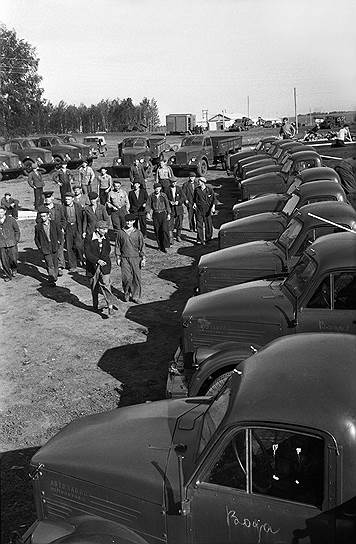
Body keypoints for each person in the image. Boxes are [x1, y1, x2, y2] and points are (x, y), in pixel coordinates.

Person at [84, 220, 118, 316]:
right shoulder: (89, 238)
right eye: (103, 229)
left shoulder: (106, 237)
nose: (105, 231)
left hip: (105, 266)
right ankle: (95, 306)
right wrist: (97, 260)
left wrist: (103, 260)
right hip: (92, 267)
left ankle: (110, 306)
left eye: (106, 229)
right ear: (97, 229)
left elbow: (108, 250)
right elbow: (87, 253)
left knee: (106, 285)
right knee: (94, 287)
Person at [115, 213, 146, 303]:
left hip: (136, 258)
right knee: (126, 278)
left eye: (131, 221)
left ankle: (135, 296)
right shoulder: (121, 233)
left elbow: (142, 246)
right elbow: (117, 246)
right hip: (124, 258)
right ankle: (127, 293)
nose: (128, 223)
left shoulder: (138, 233)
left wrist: (143, 258)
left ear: (134, 221)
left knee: (136, 277)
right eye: (127, 221)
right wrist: (118, 257)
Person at [34, 206, 62, 286]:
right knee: (49, 264)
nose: (43, 218)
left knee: (55, 263)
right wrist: (40, 247)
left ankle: (54, 276)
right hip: (45, 247)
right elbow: (36, 239)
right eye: (41, 216)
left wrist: (59, 241)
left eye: (44, 216)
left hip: (54, 246)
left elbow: (59, 233)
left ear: (48, 215)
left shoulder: (54, 223)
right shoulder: (38, 227)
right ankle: (51, 280)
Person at [42, 190, 66, 275]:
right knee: (51, 249)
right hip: (48, 232)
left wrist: (62, 228)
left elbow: (63, 219)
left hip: (58, 231)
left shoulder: (59, 207)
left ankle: (60, 266)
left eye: (49, 197)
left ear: (52, 198)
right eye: (46, 198)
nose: (47, 199)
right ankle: (52, 266)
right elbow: (38, 220)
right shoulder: (42, 208)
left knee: (60, 248)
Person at [146, 183, 171, 252]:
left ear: (160, 188)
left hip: (163, 214)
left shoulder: (163, 195)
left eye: (158, 188)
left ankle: (166, 246)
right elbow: (148, 205)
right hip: (155, 214)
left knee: (165, 230)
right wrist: (148, 213)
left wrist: (169, 213)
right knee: (157, 231)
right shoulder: (151, 196)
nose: (157, 189)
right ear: (154, 189)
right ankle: (160, 246)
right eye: (156, 188)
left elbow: (167, 205)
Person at [62, 192, 84, 271]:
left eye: (69, 199)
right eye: (66, 199)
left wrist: (82, 229)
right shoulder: (63, 207)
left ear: (72, 199)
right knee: (69, 246)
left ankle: (82, 260)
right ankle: (72, 265)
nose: (67, 201)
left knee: (79, 246)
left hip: (77, 227)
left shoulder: (78, 206)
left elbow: (82, 218)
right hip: (68, 228)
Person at [193, 177, 217, 245]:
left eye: (199, 182)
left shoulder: (209, 189)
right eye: (198, 182)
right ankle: (200, 239)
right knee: (199, 224)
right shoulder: (196, 190)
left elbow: (214, 199)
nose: (198, 183)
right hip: (199, 209)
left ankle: (208, 238)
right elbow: (195, 199)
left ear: (203, 182)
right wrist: (194, 204)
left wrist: (213, 208)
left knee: (208, 224)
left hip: (207, 209)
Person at [0, 206, 20, 282]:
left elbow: (17, 230)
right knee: (4, 261)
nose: (0, 214)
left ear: (5, 212)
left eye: (1, 212)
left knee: (13, 259)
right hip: (1, 245)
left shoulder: (11, 220)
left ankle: (14, 268)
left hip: (12, 243)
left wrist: (16, 240)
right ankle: (8, 275)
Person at [166, 176, 184, 242]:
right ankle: (171, 237)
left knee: (179, 223)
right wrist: (169, 202)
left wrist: (178, 202)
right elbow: (165, 199)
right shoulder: (167, 190)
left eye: (175, 182)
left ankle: (178, 236)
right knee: (170, 223)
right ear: (170, 182)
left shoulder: (179, 188)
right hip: (171, 209)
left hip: (179, 209)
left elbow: (183, 198)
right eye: (172, 182)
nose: (174, 183)